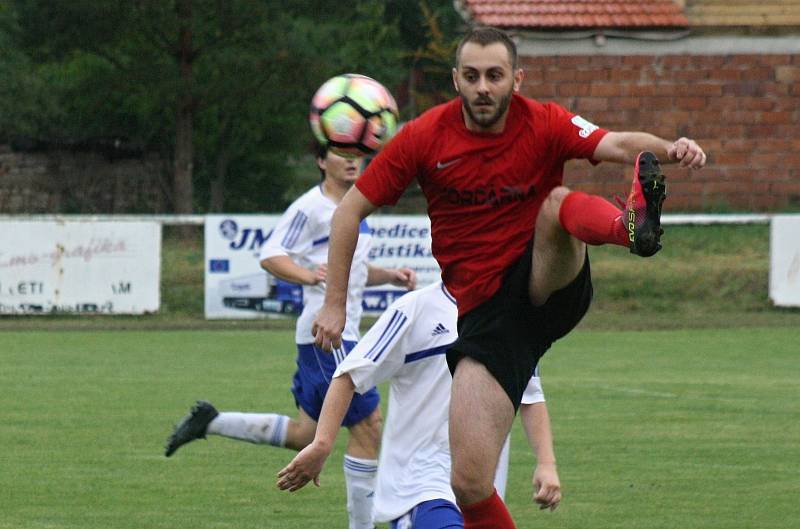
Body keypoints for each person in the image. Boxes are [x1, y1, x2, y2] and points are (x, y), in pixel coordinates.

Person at [311, 27, 706, 529]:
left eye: (494, 76)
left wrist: (673, 150)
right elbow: (348, 213)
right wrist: (335, 305)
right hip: (486, 322)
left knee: (556, 204)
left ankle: (629, 227)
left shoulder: (544, 122)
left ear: (516, 79)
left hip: (545, 283)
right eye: (472, 76)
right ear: (456, 79)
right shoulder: (422, 137)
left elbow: (618, 142)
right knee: (470, 484)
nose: (482, 87)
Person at [164, 144, 416, 529]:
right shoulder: (310, 207)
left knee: (306, 434)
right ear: (320, 161)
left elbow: (352, 267)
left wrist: (391, 275)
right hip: (326, 333)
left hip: (341, 334)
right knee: (368, 425)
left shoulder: (356, 207)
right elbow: (271, 255)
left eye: (357, 154)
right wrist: (307, 275)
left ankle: (211, 422)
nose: (351, 160)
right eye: (340, 152)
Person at [277, 281, 561, 528]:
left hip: (480, 492)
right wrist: (322, 444)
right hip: (418, 487)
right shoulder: (414, 310)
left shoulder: (507, 316)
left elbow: (530, 395)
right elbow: (349, 375)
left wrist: (546, 463)